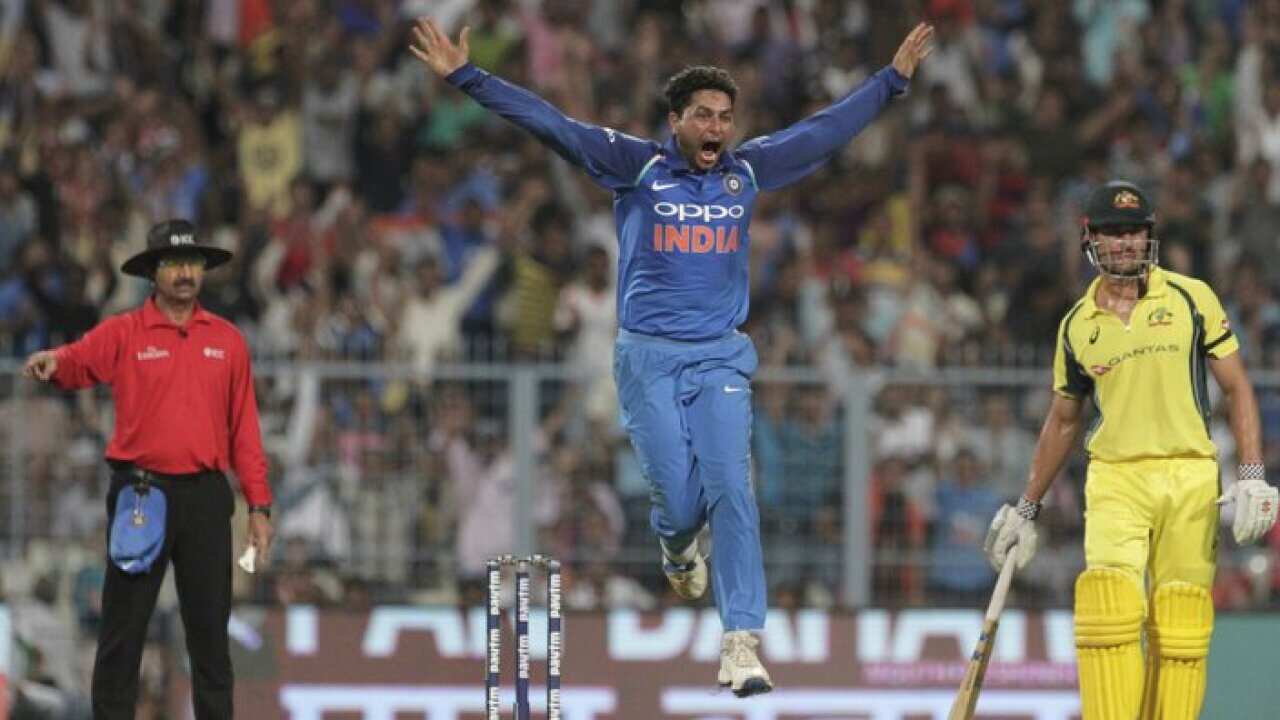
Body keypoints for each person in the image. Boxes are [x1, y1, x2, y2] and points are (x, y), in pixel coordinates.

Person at [409, 16, 933, 695]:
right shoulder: (637, 166)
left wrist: (890, 82)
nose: (717, 127)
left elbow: (823, 132)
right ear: (677, 120)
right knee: (681, 508)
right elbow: (553, 125)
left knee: (732, 487)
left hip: (719, 358)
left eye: (726, 116)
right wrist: (466, 77)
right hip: (647, 359)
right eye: (703, 115)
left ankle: (741, 640)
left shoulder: (746, 173)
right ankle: (676, 544)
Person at [983, 180, 1278, 719]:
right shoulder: (1077, 326)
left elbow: (1238, 386)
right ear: (1090, 239)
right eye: (1112, 233)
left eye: (1134, 231)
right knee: (1108, 603)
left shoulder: (1192, 297)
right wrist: (1027, 507)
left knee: (1182, 622)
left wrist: (1254, 472)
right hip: (1115, 477)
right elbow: (1063, 420)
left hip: (1191, 476)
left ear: (1150, 236)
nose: (1125, 243)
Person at [22, 219, 275, 719]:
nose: (184, 273)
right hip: (142, 495)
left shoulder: (228, 342)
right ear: (153, 273)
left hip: (206, 498)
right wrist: (55, 362)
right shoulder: (125, 332)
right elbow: (78, 360)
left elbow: (245, 429)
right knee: (122, 637)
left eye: (192, 263)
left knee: (209, 640)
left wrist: (260, 505)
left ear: (204, 270)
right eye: (173, 264)